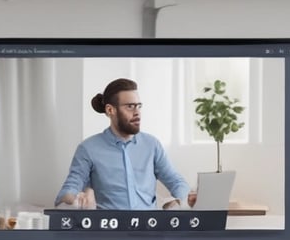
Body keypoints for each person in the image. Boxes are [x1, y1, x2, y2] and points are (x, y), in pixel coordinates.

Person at [54, 78, 192, 210]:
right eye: (130, 107)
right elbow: (69, 189)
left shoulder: (152, 145)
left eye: (139, 106)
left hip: (149, 228)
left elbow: (176, 181)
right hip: (110, 229)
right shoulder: (88, 149)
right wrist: (74, 200)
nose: (137, 113)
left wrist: (178, 201)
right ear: (110, 110)